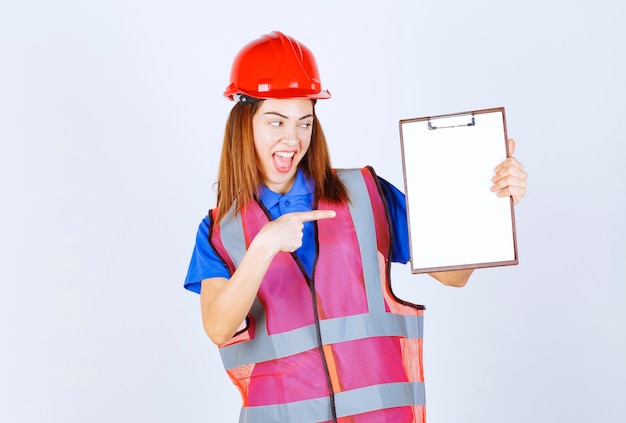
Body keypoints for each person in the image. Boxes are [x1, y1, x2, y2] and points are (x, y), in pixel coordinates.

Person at [184, 31, 528, 423]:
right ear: (244, 123)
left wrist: (488, 203)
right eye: (276, 121)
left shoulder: (364, 195)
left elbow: (453, 275)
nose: (292, 139)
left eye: (304, 122)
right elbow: (217, 326)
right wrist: (263, 246)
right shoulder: (219, 230)